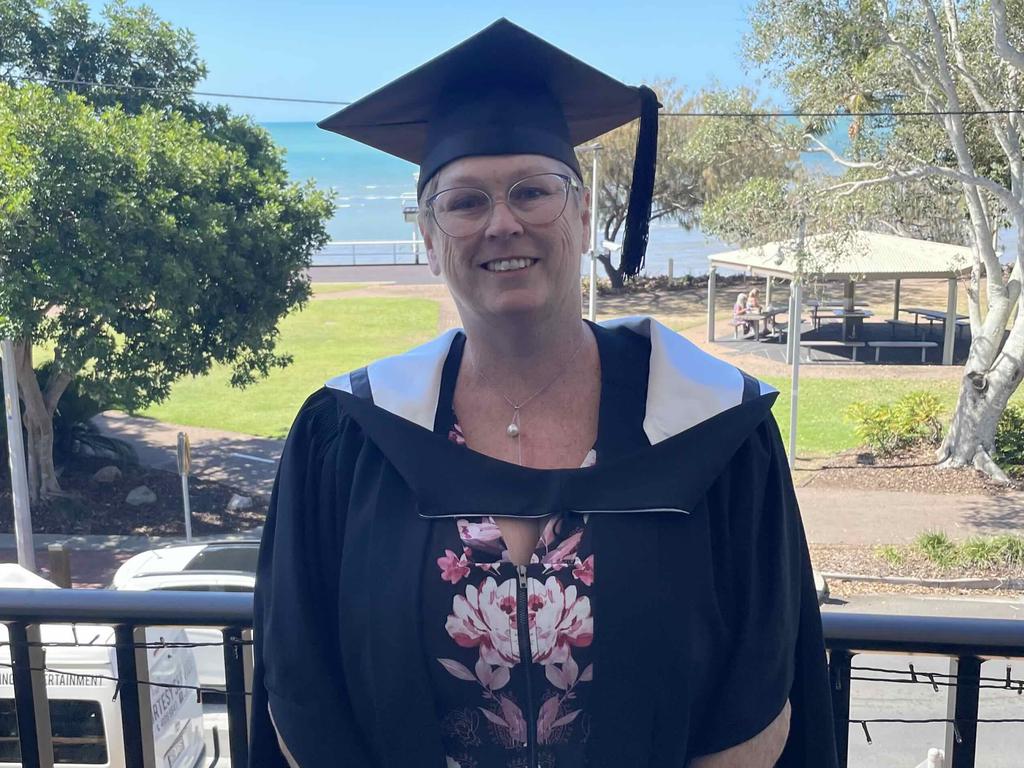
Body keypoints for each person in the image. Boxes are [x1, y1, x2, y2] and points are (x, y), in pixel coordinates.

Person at [250, 19, 838, 768]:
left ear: (586, 215)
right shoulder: (349, 437)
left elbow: (758, 691)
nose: (502, 223)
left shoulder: (713, 428)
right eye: (464, 203)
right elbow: (302, 688)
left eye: (533, 191)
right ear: (428, 239)